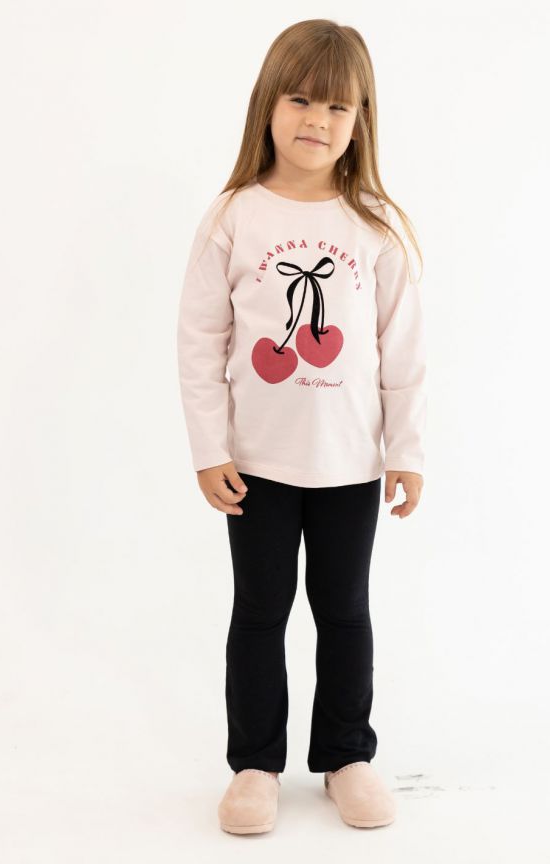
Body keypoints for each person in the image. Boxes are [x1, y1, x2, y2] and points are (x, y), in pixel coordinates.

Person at [177, 18, 427, 834]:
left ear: (360, 121)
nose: (316, 120)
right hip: (255, 463)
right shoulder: (233, 215)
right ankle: (254, 766)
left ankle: (345, 756)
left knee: (343, 609)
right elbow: (199, 340)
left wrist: (405, 451)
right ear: (267, 105)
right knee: (259, 610)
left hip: (350, 464)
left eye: (336, 107)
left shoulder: (374, 225)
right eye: (299, 100)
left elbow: (403, 351)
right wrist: (209, 449)